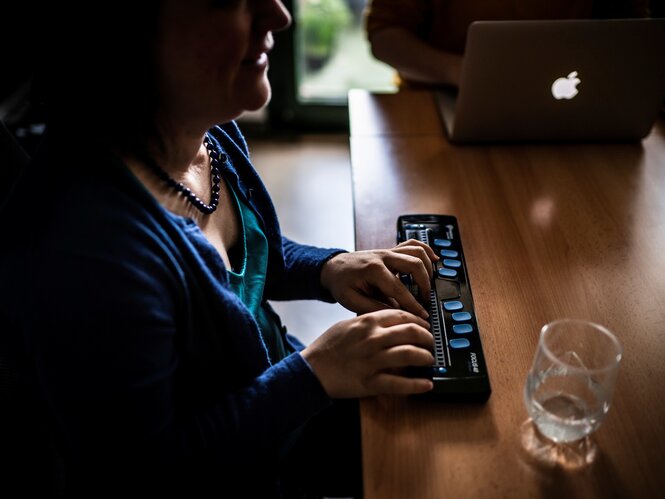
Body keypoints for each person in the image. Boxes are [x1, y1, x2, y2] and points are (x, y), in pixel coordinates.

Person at [0, 0, 440, 497]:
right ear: (124, 35)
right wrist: (314, 374)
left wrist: (329, 267)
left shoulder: (203, 128)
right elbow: (146, 474)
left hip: (278, 405)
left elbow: (245, 261)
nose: (279, 16)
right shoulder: (88, 255)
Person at [365, 0, 651, 89]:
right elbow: (385, 34)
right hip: (436, 105)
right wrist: (456, 71)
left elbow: (636, 32)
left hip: (580, 112)